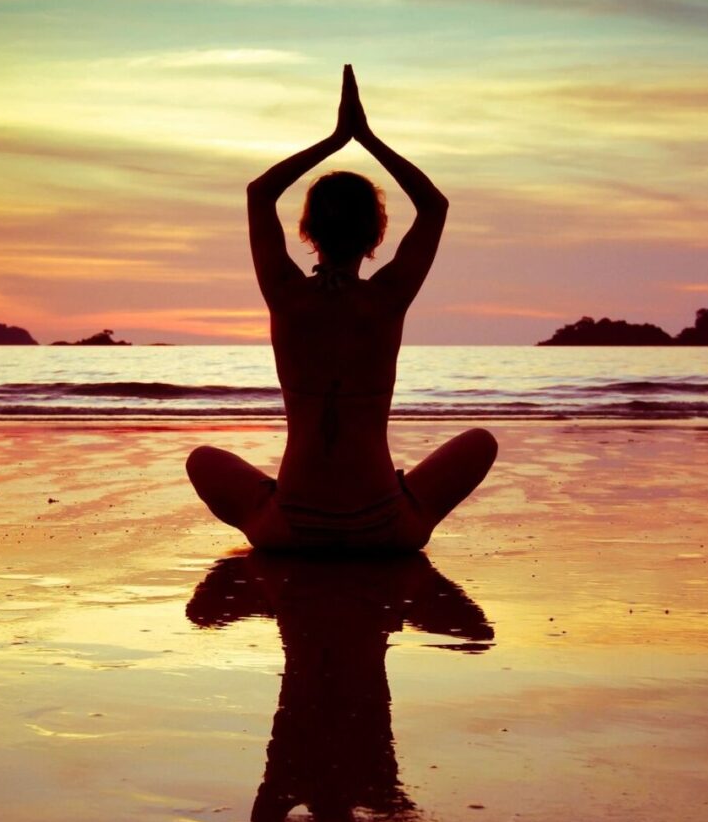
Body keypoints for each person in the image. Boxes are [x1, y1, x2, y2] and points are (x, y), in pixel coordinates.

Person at [185, 65, 497, 551]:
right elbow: (434, 206)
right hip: (385, 530)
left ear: (307, 232)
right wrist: (366, 138)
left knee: (202, 458)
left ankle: (273, 504)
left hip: (290, 530)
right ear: (376, 236)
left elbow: (259, 193)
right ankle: (393, 500)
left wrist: (335, 139)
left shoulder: (287, 295)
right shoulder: (386, 298)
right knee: (481, 441)